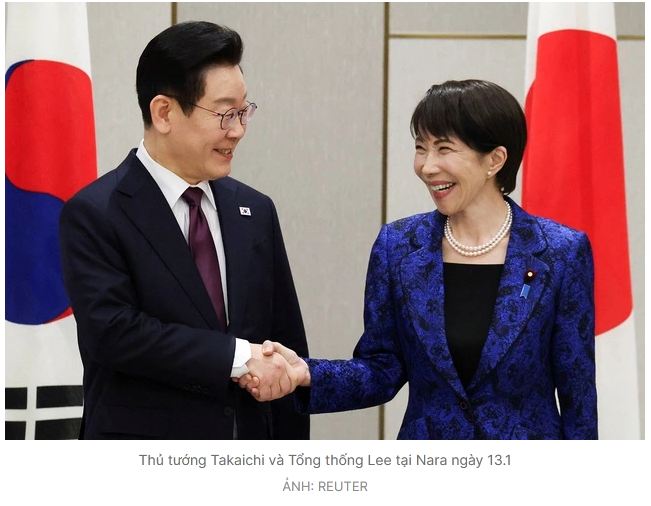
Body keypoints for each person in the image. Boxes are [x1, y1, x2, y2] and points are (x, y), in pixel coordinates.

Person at [238, 80, 598, 440]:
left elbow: (578, 397)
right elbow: (381, 370)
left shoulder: (560, 253)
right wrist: (305, 373)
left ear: (495, 160)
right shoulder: (398, 247)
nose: (427, 166)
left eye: (443, 149)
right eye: (420, 148)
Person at [59, 21, 308, 439]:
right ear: (164, 113)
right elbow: (115, 333)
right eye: (225, 113)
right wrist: (237, 357)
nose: (238, 130)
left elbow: (284, 344)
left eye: (243, 112)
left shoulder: (255, 210)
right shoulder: (96, 213)